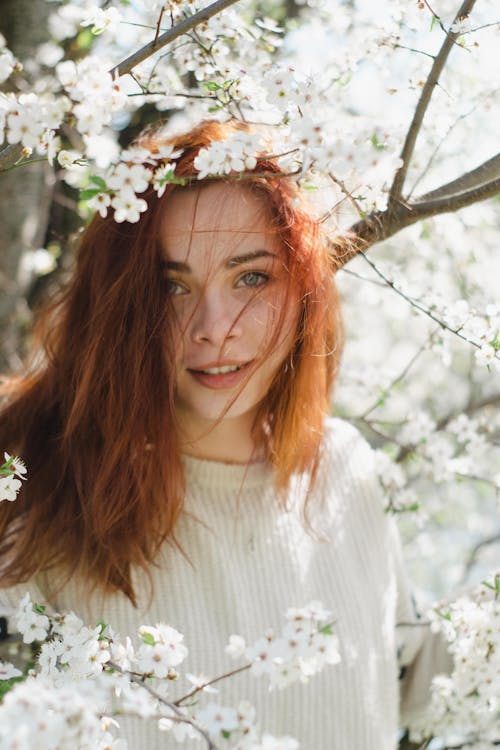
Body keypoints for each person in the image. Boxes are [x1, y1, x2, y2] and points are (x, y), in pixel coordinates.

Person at [0, 119, 450, 749]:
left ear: (304, 291)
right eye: (170, 286)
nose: (214, 327)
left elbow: (416, 680)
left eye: (251, 278)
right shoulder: (36, 473)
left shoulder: (346, 468)